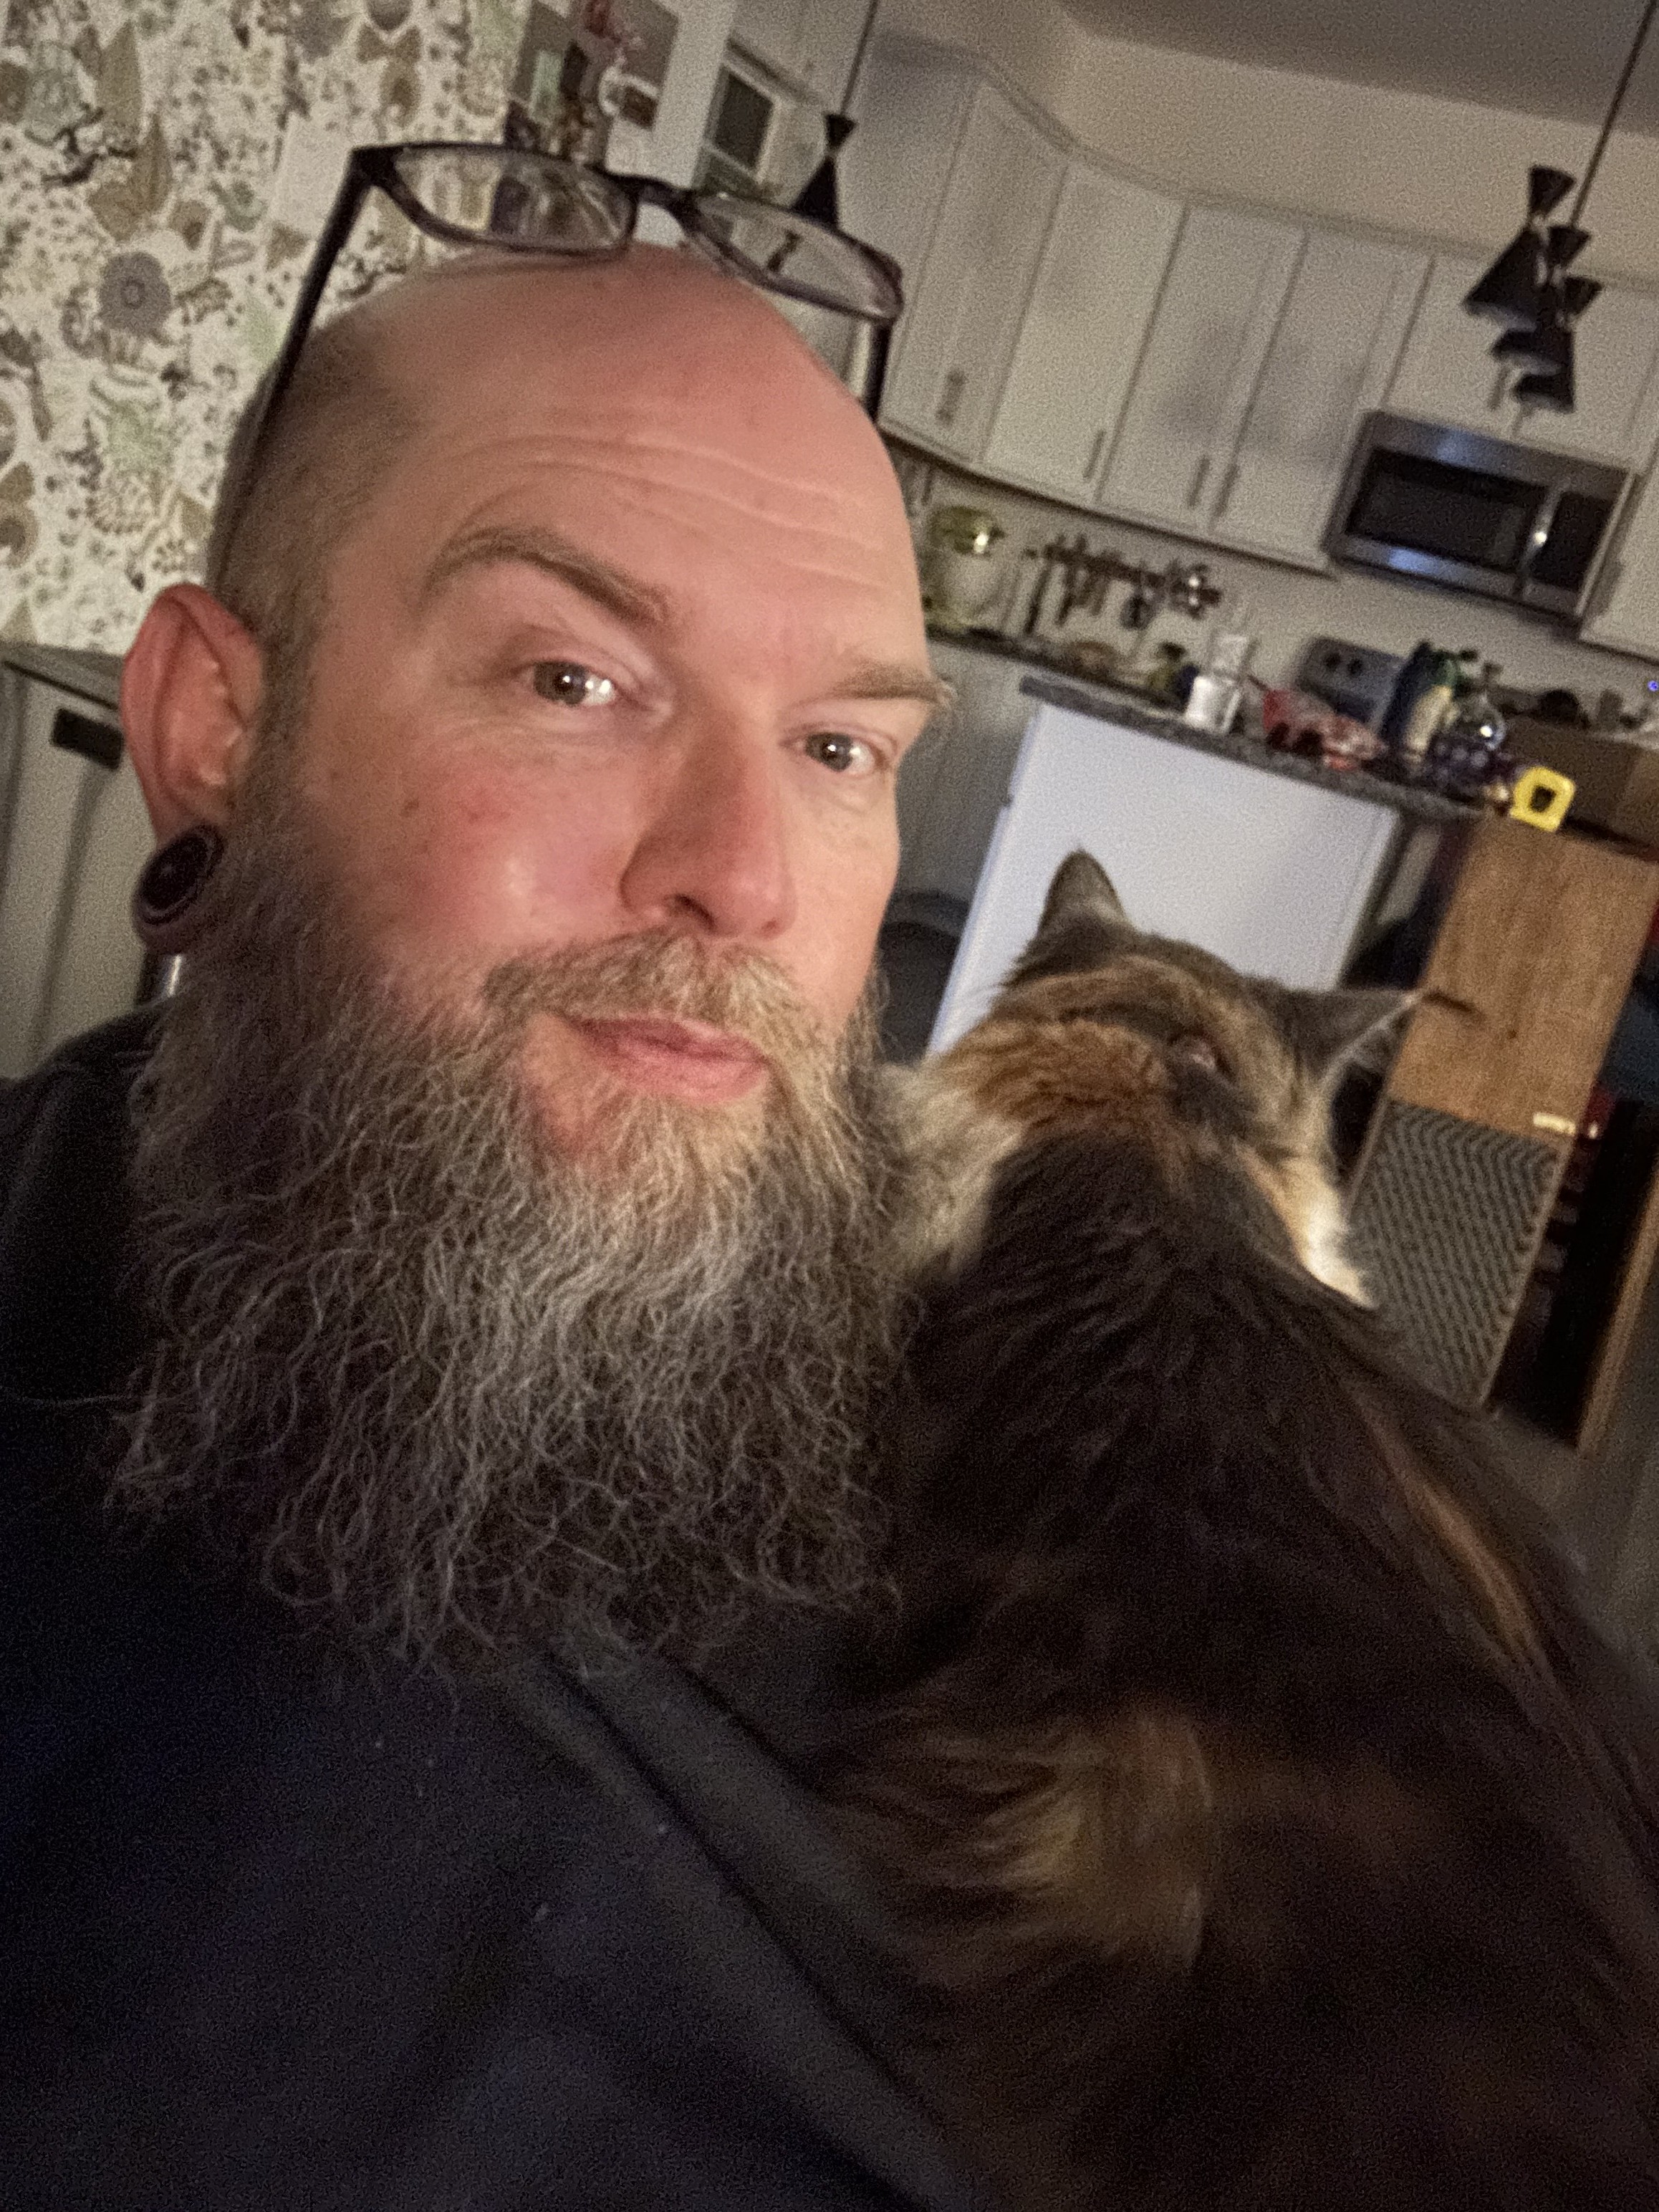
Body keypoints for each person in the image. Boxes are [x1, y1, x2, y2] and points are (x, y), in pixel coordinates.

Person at [0, 158, 976, 2211]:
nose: (747, 875)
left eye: (839, 751)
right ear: (213, 727)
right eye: (574, 680)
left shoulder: (1057, 1547)